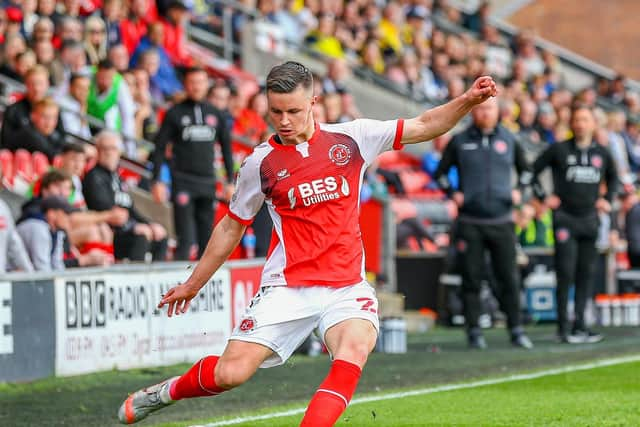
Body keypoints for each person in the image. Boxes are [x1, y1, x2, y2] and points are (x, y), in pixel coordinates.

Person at [117, 61, 498, 425]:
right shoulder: (260, 164)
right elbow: (231, 226)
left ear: (313, 103)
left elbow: (425, 124)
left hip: (346, 285)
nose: (283, 121)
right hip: (287, 287)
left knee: (353, 349)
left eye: (293, 111)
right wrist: (193, 283)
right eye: (275, 112)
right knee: (230, 374)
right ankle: (166, 393)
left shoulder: (353, 138)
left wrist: (466, 101)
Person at [433, 96, 533, 350]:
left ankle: (516, 329)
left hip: (502, 221)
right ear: (474, 112)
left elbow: (527, 171)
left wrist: (520, 191)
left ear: (498, 111)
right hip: (470, 221)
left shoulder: (509, 140)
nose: (485, 113)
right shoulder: (460, 140)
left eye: (489, 108)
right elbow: (440, 174)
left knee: (509, 277)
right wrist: (453, 193)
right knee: (472, 279)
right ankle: (474, 332)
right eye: (481, 109)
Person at [531, 105, 618, 344]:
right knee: (565, 273)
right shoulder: (559, 150)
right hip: (565, 220)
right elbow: (532, 171)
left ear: (592, 124)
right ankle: (563, 327)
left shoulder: (602, 153)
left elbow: (614, 179)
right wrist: (543, 197)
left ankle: (581, 324)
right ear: (571, 124)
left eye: (585, 120)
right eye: (576, 120)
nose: (580, 124)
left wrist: (606, 200)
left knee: (586, 274)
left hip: (590, 220)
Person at [151, 67, 234, 260]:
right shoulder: (174, 113)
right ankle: (182, 285)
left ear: (207, 85)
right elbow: (159, 148)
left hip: (207, 182)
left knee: (207, 240)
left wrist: (230, 181)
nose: (196, 87)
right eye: (192, 82)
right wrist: (157, 180)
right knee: (185, 240)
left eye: (200, 82)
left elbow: (227, 149)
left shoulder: (217, 114)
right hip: (182, 182)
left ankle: (203, 286)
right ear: (186, 85)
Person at [84, 131, 167, 262]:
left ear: (119, 153)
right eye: (105, 148)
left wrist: (150, 224)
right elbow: (105, 209)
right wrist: (134, 227)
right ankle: (136, 278)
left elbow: (130, 209)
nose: (109, 153)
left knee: (160, 236)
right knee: (141, 236)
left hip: (125, 228)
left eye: (113, 149)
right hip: (110, 232)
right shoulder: (94, 177)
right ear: (98, 151)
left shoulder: (118, 177)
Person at [16, 196, 73, 271]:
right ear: (51, 213)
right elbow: (41, 266)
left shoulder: (57, 231)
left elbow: (57, 263)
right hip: (10, 274)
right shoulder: (38, 227)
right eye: (66, 214)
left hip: (28, 273)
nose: (69, 218)